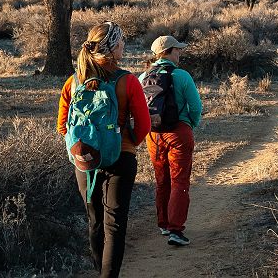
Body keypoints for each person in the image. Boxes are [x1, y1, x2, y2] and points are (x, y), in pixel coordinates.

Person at [57, 21, 151, 277]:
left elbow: (62, 126)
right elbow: (144, 124)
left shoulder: (73, 82)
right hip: (121, 157)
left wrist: (82, 147)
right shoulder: (128, 81)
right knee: (115, 226)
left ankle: (100, 271)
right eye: (121, 43)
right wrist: (128, 143)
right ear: (112, 47)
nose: (123, 47)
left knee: (95, 223)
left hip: (86, 161)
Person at [141, 35, 203, 247]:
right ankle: (176, 230)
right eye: (177, 50)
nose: (180, 53)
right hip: (179, 133)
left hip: (154, 135)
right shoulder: (182, 76)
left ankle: (164, 224)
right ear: (167, 52)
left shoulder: (143, 76)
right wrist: (189, 125)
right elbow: (195, 107)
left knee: (162, 180)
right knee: (179, 180)